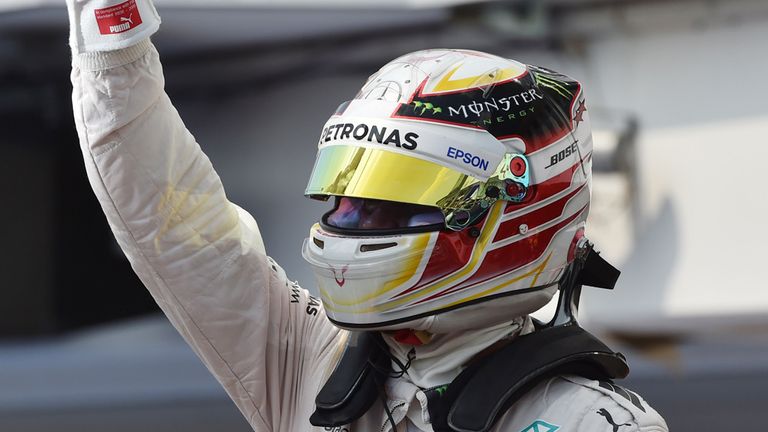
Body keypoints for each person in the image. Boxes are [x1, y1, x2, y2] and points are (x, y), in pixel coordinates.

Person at [66, 0, 668, 431]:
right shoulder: (313, 361)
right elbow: (180, 234)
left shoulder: (593, 422)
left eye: (388, 201)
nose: (350, 221)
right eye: (347, 197)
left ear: (508, 216)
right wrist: (114, 44)